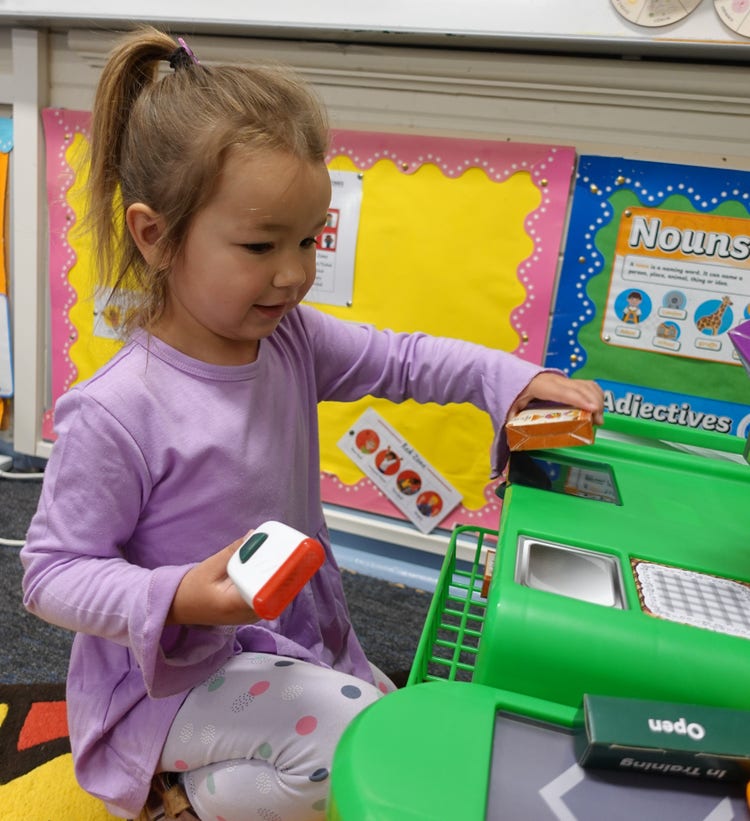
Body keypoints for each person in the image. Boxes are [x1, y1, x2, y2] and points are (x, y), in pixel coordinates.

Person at [20, 27, 605, 821]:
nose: (294, 274)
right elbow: (51, 575)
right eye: (260, 245)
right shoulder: (118, 409)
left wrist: (516, 379)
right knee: (356, 745)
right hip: (169, 679)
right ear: (154, 235)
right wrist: (181, 594)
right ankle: (182, 797)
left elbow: (405, 360)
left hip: (288, 636)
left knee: (396, 730)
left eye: (309, 241)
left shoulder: (287, 338)